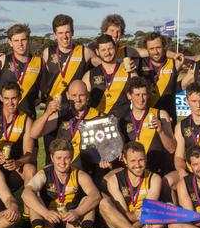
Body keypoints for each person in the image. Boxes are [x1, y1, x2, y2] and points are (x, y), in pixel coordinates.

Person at [22, 138, 101, 228]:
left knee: (88, 200)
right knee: (34, 197)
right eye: (58, 158)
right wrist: (45, 213)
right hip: (49, 223)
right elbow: (26, 193)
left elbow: (95, 195)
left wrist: (77, 212)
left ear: (72, 157)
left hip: (72, 223)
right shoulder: (44, 174)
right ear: (51, 158)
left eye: (66, 158)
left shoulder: (79, 174)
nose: (62, 163)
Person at [41, 14, 97, 156]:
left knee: (77, 155)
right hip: (54, 112)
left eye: (67, 32)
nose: (64, 37)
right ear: (54, 35)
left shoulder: (85, 52)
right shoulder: (48, 53)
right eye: (60, 33)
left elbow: (107, 67)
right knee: (52, 156)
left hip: (75, 113)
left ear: (72, 32)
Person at [99, 142, 164, 228]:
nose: (137, 165)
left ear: (146, 159)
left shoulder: (154, 178)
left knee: (167, 211)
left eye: (141, 160)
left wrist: (136, 225)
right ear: (125, 160)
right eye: (133, 161)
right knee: (103, 204)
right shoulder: (114, 180)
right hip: (121, 224)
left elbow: (148, 212)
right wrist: (132, 226)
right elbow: (124, 213)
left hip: (144, 223)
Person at [119, 77, 175, 198]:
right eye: (137, 94)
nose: (141, 99)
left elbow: (172, 148)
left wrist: (160, 131)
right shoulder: (122, 120)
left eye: (144, 94)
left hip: (157, 170)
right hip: (134, 172)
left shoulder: (161, 114)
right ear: (129, 96)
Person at [30, 80, 102, 172]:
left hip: (86, 169)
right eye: (74, 95)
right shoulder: (61, 114)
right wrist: (47, 114)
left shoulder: (97, 115)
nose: (78, 99)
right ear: (67, 95)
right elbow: (33, 134)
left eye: (82, 95)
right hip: (62, 168)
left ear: (88, 95)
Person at [0, 82, 36, 193]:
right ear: (1, 98)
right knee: (0, 206)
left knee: (30, 169)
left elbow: (29, 153)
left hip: (13, 166)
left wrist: (18, 162)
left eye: (14, 98)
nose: (10, 103)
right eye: (6, 98)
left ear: (20, 97)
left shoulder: (27, 120)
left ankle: (28, 209)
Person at [0, 24, 43, 120]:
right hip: (3, 119)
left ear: (28, 40)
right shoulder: (2, 60)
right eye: (16, 40)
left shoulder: (38, 63)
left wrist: (40, 97)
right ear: (10, 42)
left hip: (28, 118)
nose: (20, 44)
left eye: (23, 40)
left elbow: (45, 89)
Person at [83, 34, 135, 118]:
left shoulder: (128, 70)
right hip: (99, 123)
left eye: (110, 48)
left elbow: (139, 95)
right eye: (103, 50)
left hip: (125, 122)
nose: (107, 53)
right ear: (97, 51)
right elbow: (82, 102)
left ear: (115, 48)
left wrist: (133, 72)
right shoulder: (89, 75)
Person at [138, 33, 180, 123]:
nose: (156, 52)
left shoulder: (175, 62)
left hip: (168, 117)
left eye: (158, 47)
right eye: (151, 49)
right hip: (146, 117)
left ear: (164, 47)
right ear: (146, 50)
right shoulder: (139, 63)